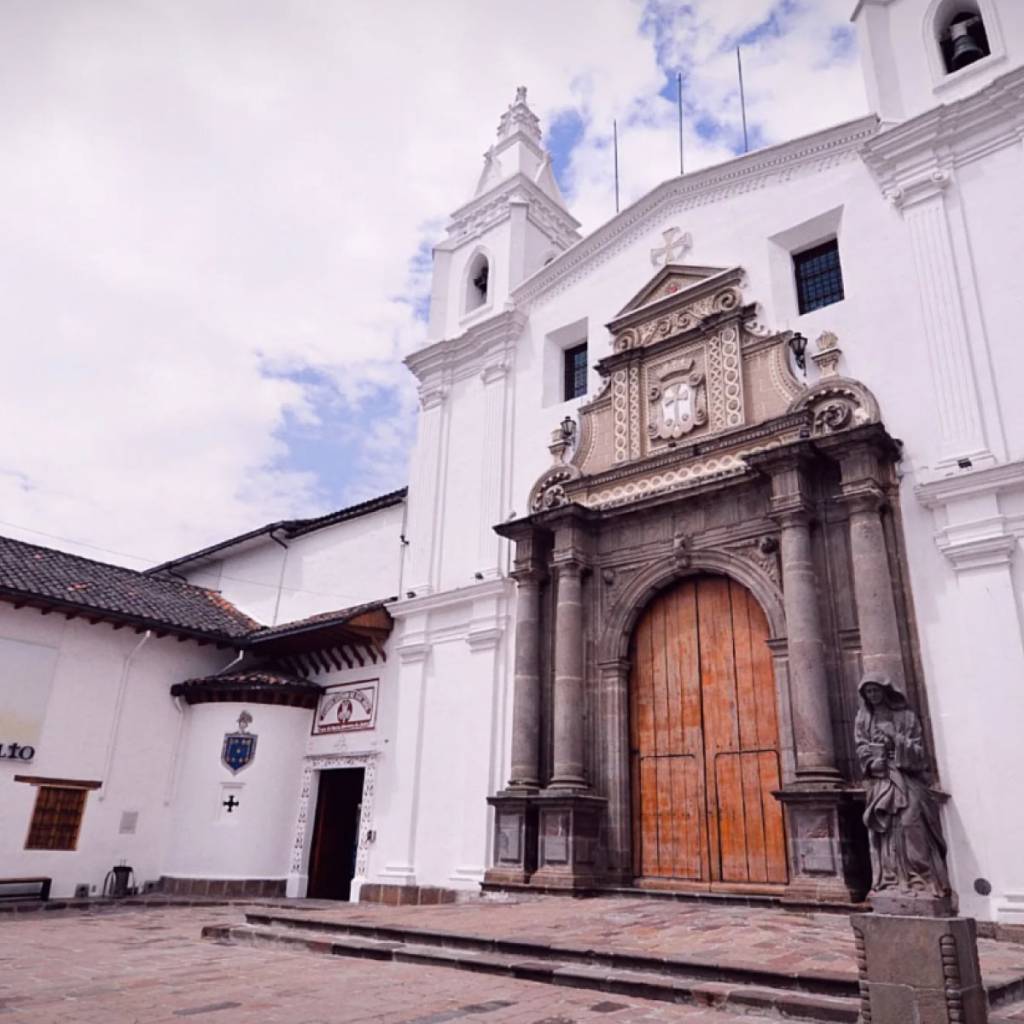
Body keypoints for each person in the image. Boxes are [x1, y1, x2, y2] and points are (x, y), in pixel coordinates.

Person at [855, 673, 950, 899]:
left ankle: (922, 878)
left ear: (886, 690)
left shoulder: (906, 717)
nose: (873, 695)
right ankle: (893, 879)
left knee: (911, 824)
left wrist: (895, 737)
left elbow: (918, 752)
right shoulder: (863, 718)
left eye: (876, 690)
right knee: (886, 829)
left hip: (907, 779)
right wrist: (871, 763)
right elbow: (861, 748)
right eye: (868, 692)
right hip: (882, 780)